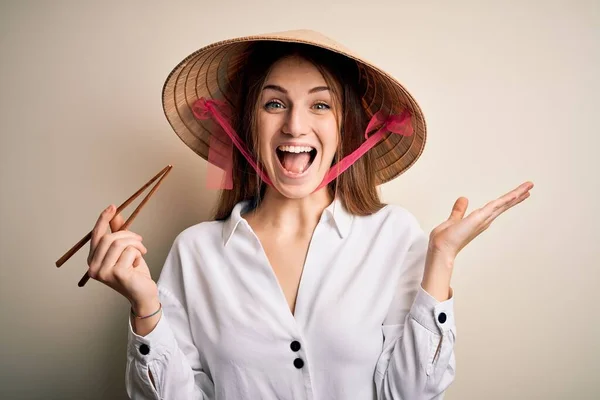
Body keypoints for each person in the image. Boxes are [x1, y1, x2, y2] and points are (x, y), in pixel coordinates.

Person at [86, 30, 533, 399]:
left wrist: (441, 259)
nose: (295, 125)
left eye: (320, 104)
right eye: (274, 103)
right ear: (248, 124)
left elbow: (411, 392)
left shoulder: (394, 235)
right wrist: (146, 307)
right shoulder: (196, 251)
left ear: (346, 129)